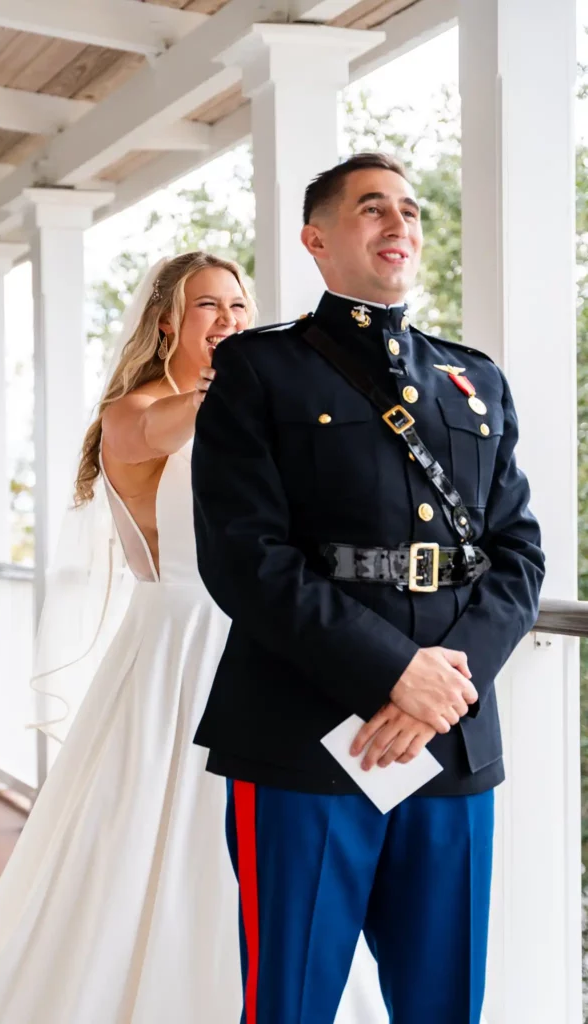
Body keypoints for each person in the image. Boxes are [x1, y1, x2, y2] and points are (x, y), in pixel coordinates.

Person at [0, 251, 386, 1024]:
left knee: (276, 850)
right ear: (167, 320)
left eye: (240, 307)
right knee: (154, 842)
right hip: (174, 655)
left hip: (266, 646)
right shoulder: (135, 414)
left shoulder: (250, 407)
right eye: (210, 307)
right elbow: (182, 423)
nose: (231, 321)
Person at [192, 153, 545, 1024]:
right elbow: (245, 555)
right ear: (315, 240)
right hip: (304, 730)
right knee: (293, 1000)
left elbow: (518, 555)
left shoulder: (474, 381)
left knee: (443, 1002)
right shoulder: (258, 372)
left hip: (449, 739)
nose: (398, 224)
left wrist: (440, 685)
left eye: (410, 211)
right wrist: (392, 672)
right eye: (371, 209)